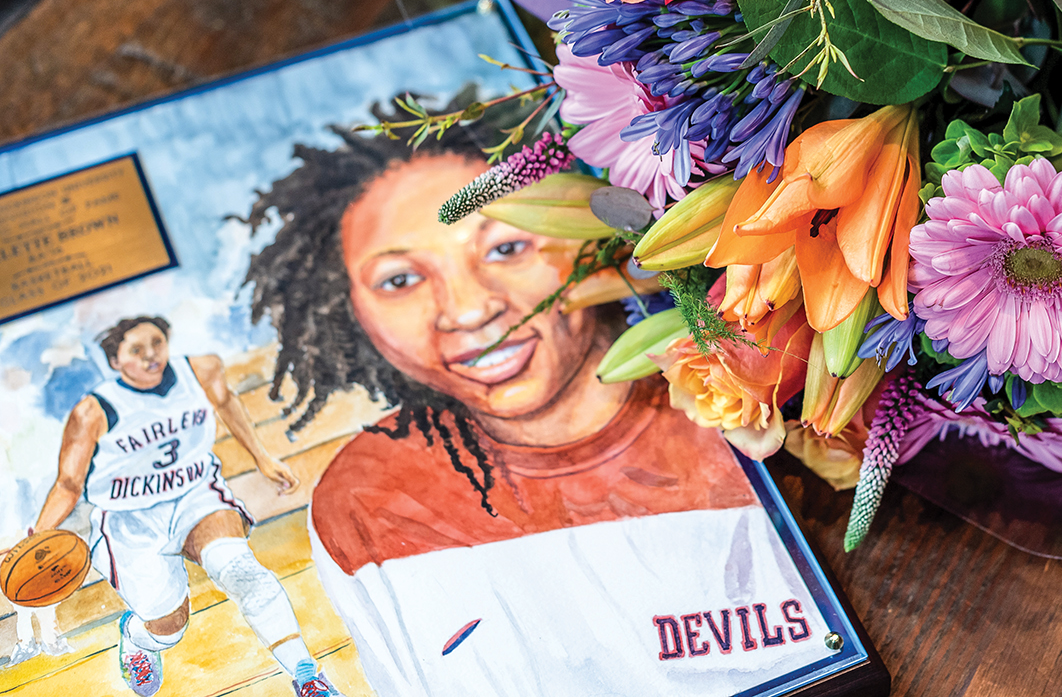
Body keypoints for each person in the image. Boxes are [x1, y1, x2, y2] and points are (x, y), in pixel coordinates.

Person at [241, 122, 829, 697]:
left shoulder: (741, 387)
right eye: (399, 280)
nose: (467, 311)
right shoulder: (366, 500)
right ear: (350, 313)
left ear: (588, 231)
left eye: (506, 247)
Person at [31, 316, 343, 697]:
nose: (150, 356)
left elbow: (226, 402)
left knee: (245, 574)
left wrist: (262, 458)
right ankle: (139, 638)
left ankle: (307, 676)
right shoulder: (93, 412)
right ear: (116, 362)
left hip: (196, 494)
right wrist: (39, 535)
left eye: (157, 343)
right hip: (131, 520)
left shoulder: (201, 369)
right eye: (136, 350)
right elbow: (68, 483)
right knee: (168, 627)